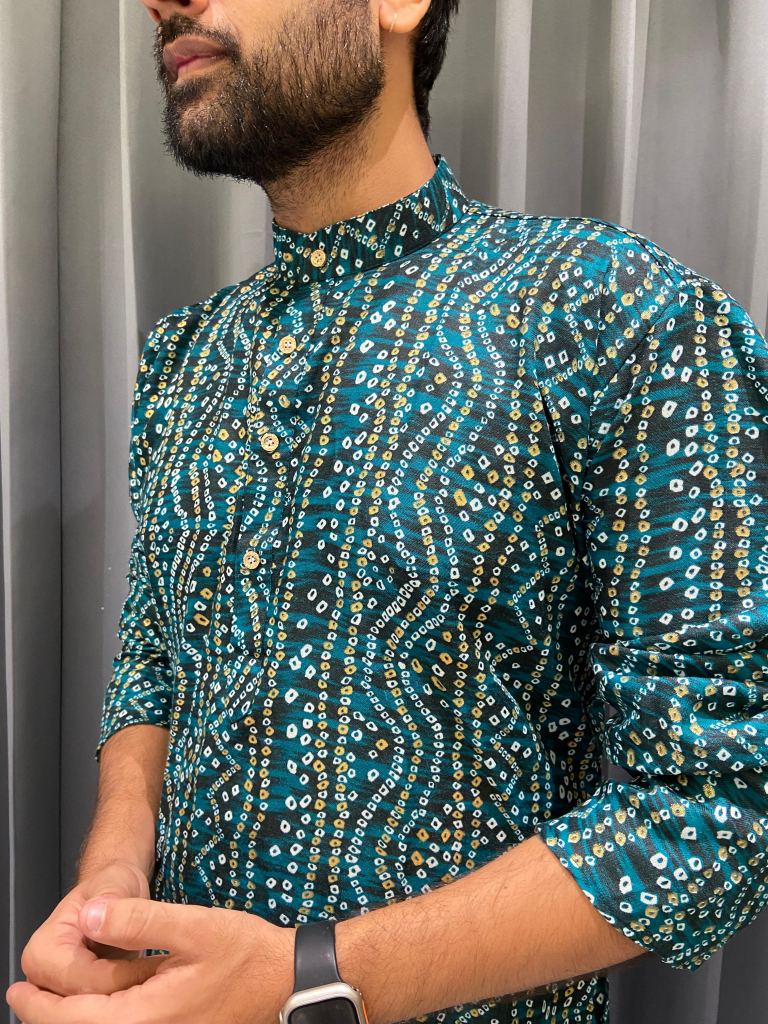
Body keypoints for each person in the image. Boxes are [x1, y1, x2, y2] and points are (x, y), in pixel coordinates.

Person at [6, 2, 768, 1023]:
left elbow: (718, 807)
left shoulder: (612, 311)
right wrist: (112, 880)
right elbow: (156, 662)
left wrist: (306, 978)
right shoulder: (185, 355)